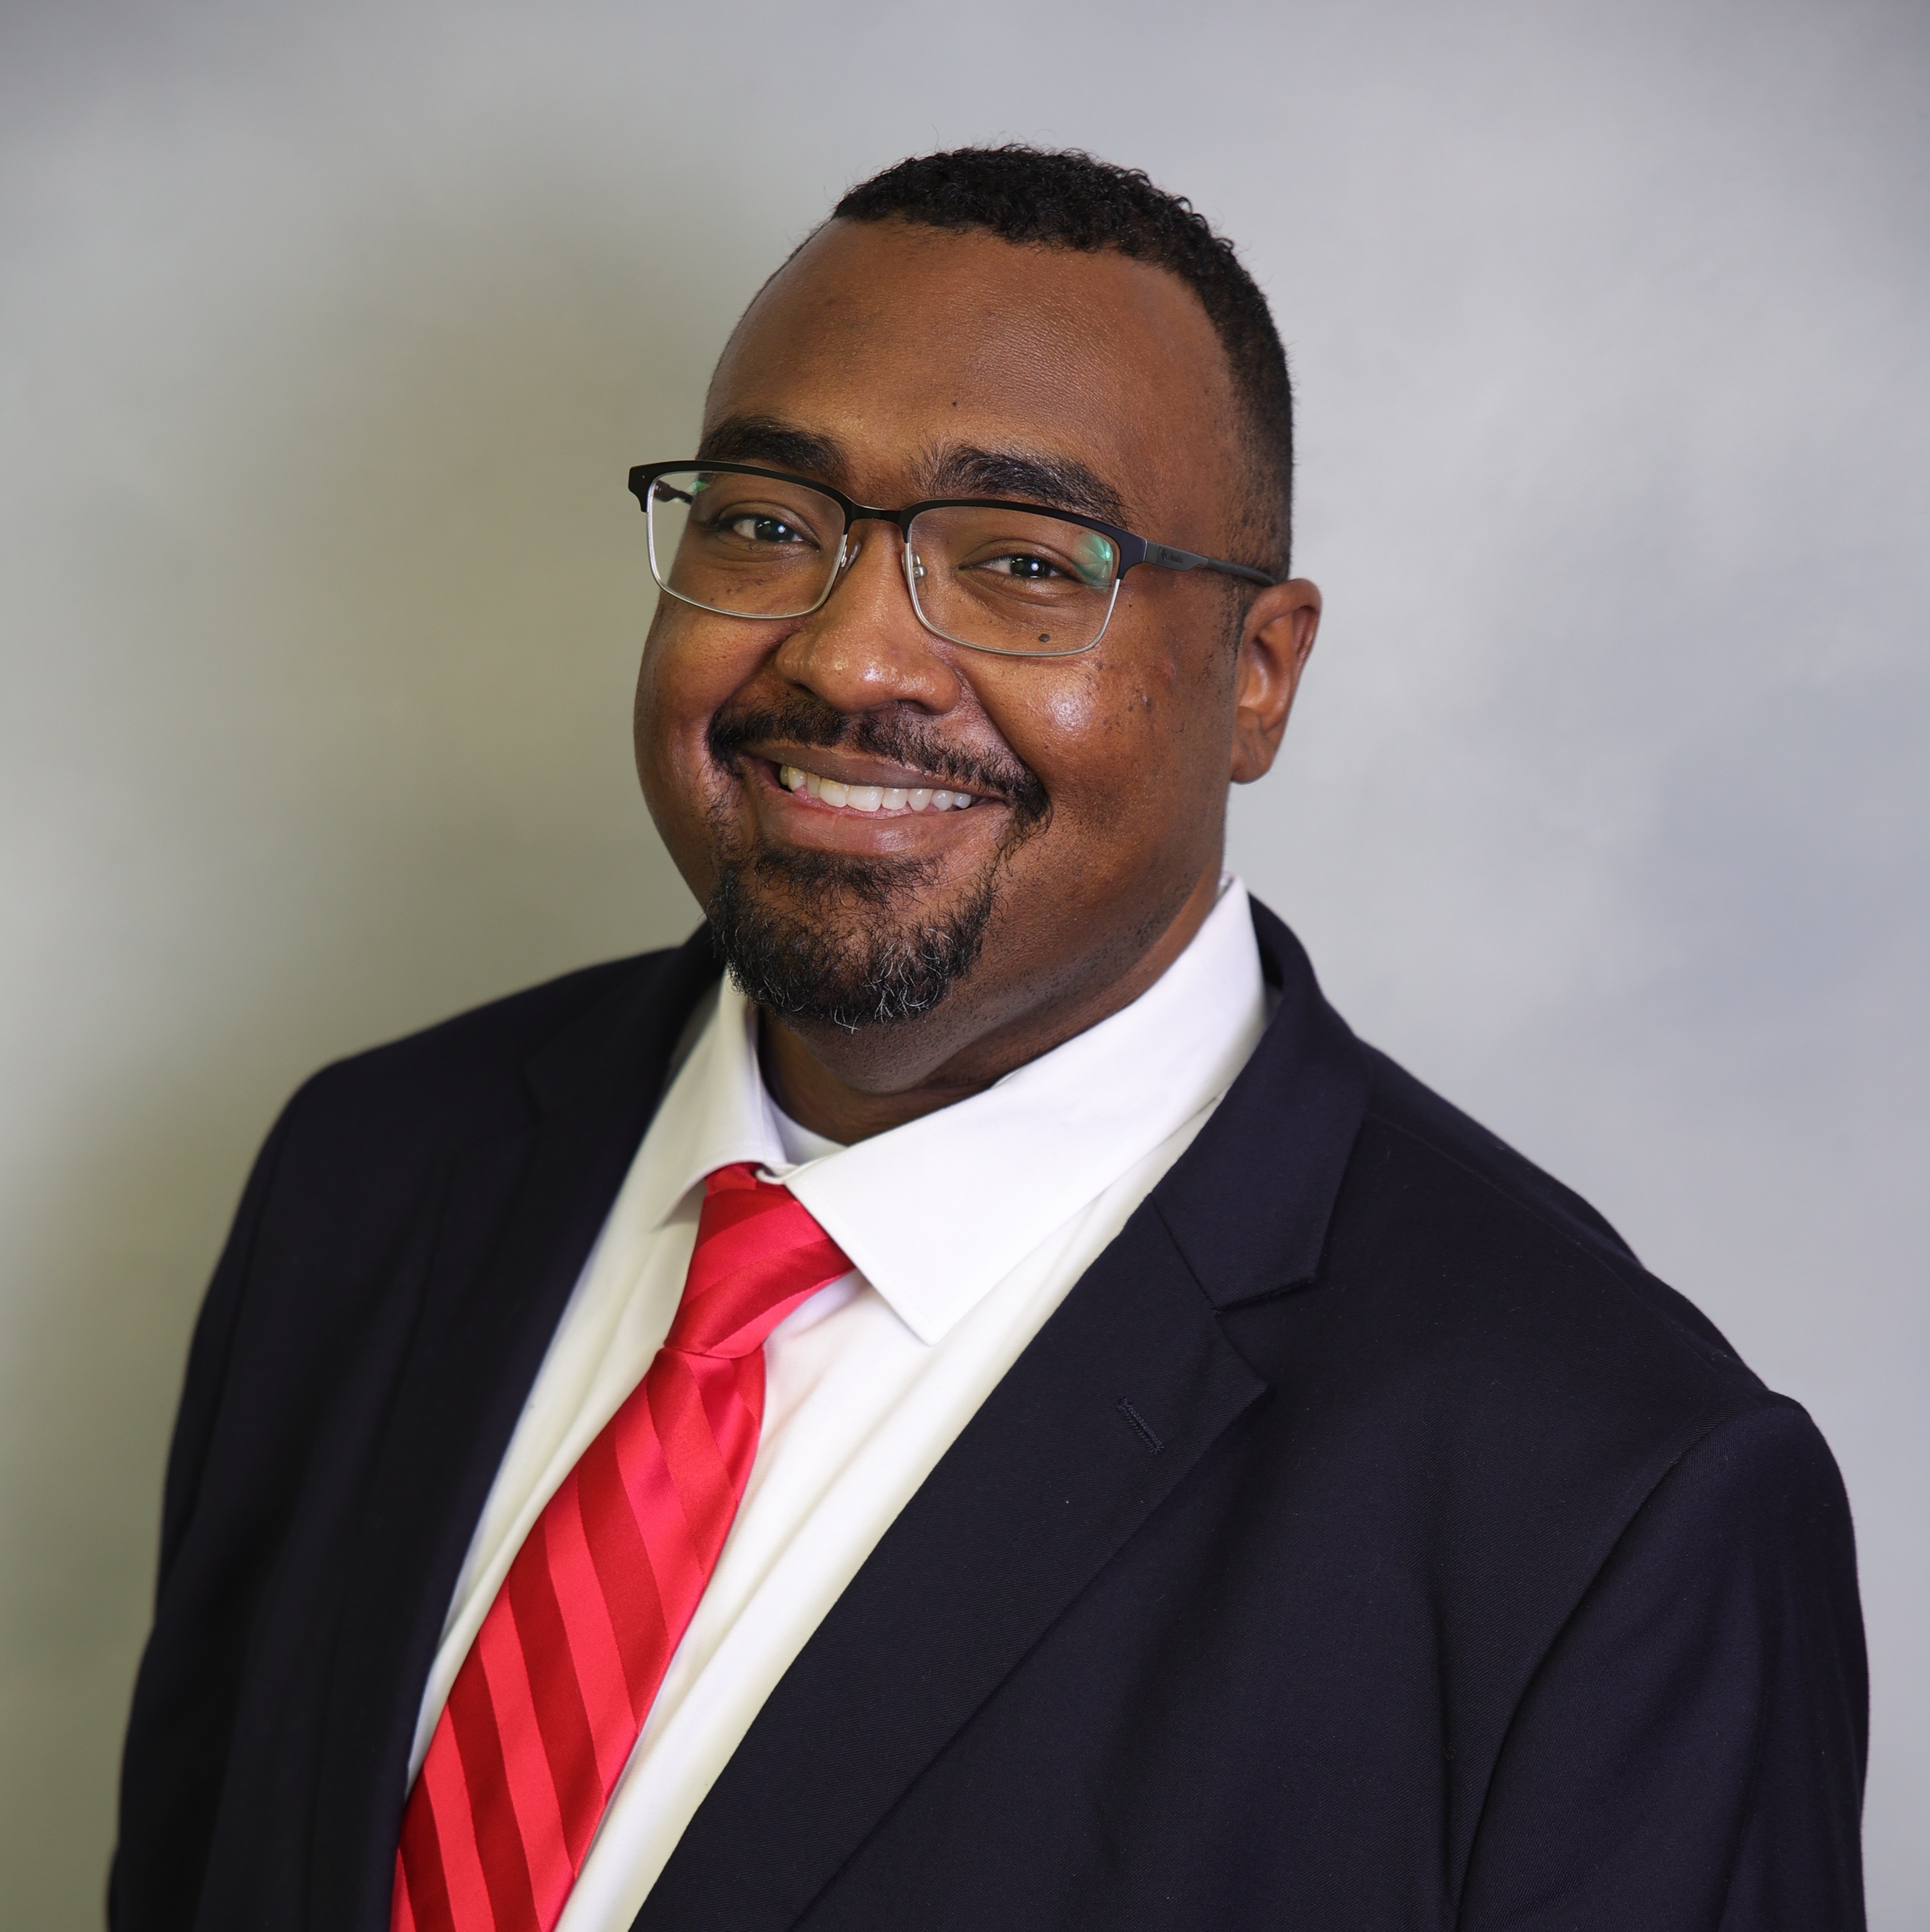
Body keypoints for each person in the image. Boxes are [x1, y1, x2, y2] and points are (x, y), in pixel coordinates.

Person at [112, 147, 1867, 1932]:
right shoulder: (371, 1178)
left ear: (1259, 674)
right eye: (768, 522)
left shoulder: (1608, 1502)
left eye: (1028, 561)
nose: (854, 654)